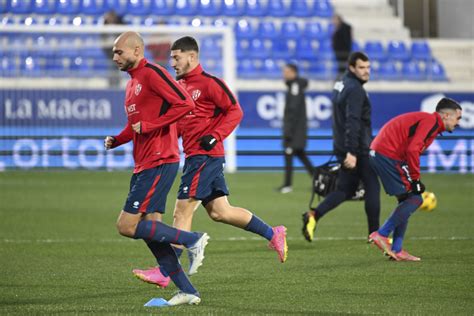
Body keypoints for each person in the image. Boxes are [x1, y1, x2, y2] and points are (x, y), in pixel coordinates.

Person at [132, 36, 288, 287]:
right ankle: (273, 233)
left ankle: (166, 271)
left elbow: (235, 111)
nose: (172, 62)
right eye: (171, 57)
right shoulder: (177, 86)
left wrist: (215, 136)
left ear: (192, 57)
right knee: (220, 212)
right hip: (195, 156)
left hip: (205, 156)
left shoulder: (210, 83)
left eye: (176, 57)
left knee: (181, 211)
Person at [104, 31, 209, 306]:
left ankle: (192, 239)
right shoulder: (131, 84)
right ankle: (188, 291)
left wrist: (151, 127)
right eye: (114, 53)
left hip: (161, 160)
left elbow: (186, 104)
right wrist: (118, 139)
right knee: (153, 232)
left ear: (137, 50)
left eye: (119, 52)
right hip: (145, 161)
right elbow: (135, 124)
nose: (115, 57)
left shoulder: (152, 73)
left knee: (127, 226)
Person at [368, 98, 462, 261]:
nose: (459, 122)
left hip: (384, 153)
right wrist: (415, 179)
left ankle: (397, 249)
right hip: (388, 154)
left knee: (407, 199)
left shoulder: (431, 123)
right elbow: (413, 149)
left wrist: (413, 178)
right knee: (415, 198)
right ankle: (381, 234)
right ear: (446, 115)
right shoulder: (431, 121)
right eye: (457, 118)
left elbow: (411, 148)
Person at [302, 52, 380, 242]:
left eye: (368, 67)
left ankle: (314, 215)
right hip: (357, 148)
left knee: (345, 189)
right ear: (352, 68)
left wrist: (345, 149)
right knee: (372, 188)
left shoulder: (341, 83)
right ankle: (376, 235)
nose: (366, 72)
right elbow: (353, 121)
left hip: (341, 145)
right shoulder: (356, 90)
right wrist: (352, 151)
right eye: (362, 68)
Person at [276, 64, 314, 194]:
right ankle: (319, 180)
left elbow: (293, 110)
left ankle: (287, 185)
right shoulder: (295, 85)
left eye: (286, 71)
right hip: (297, 129)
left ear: (293, 72)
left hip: (294, 131)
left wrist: (288, 131)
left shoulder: (295, 86)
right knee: (300, 155)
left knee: (289, 154)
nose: (284, 74)